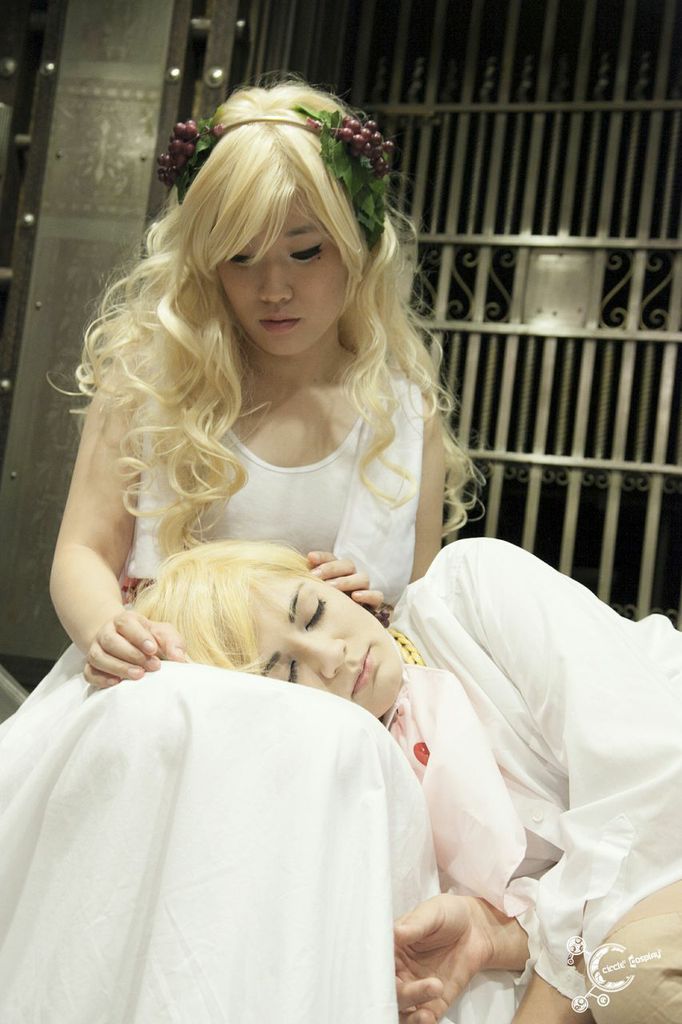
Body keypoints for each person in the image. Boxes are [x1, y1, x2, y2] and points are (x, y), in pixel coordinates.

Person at [130, 536, 682, 1024]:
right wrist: (498, 933)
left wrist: (552, 989)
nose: (331, 657)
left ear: (331, 582)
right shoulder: (349, 783)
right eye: (289, 673)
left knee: (637, 984)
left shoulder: (470, 590)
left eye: (313, 613)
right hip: (640, 890)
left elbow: (655, 782)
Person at [48, 76, 476, 689]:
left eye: (305, 253)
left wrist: (375, 613)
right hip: (158, 692)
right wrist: (107, 630)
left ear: (359, 245)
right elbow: (84, 550)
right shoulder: (147, 383)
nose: (273, 289)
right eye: (240, 257)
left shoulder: (405, 413)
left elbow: (423, 617)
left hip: (334, 718)